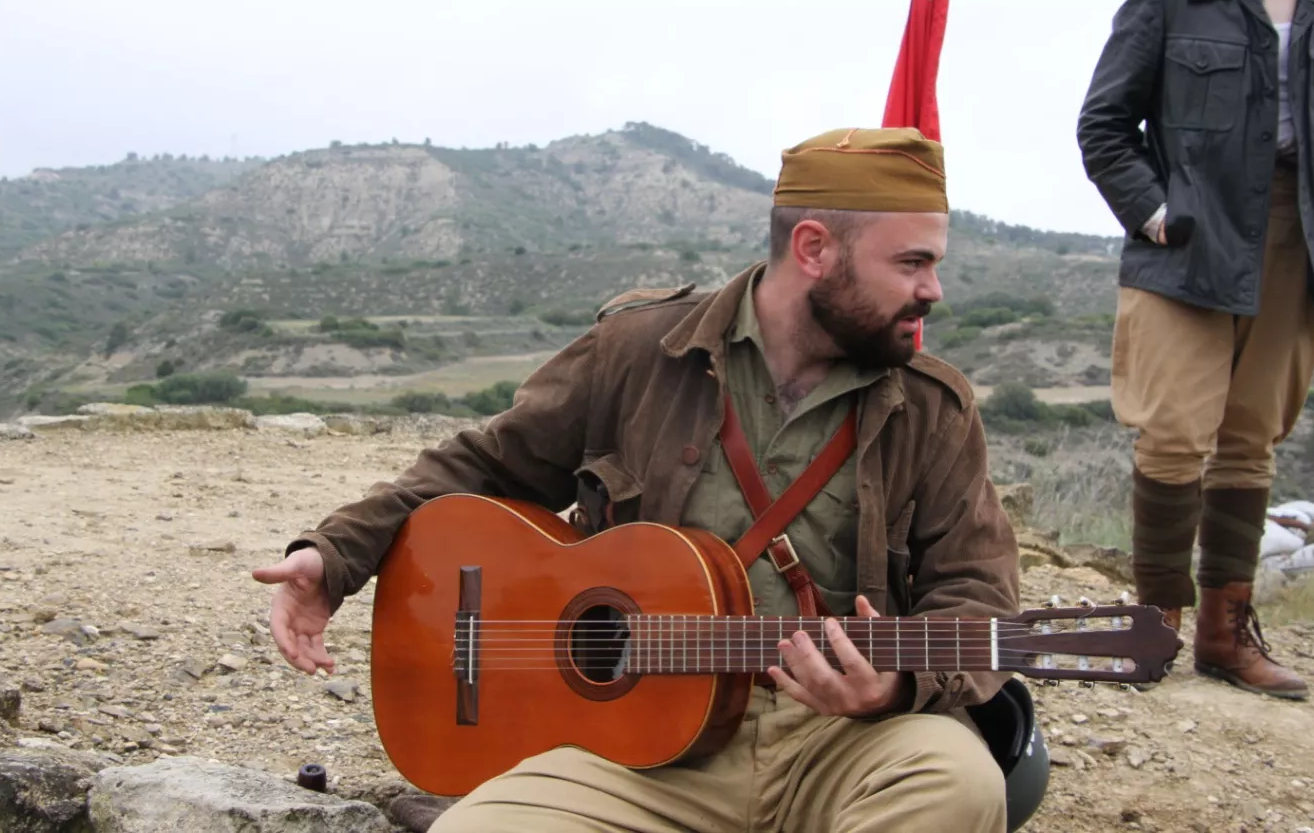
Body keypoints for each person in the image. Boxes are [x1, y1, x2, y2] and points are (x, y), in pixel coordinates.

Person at [253, 126, 1024, 833]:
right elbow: (486, 467)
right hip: (636, 750)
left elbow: (978, 595)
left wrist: (890, 688)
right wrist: (336, 556)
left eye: (933, 264)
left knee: (959, 787)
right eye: (911, 263)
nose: (933, 291)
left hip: (844, 743)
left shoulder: (932, 406)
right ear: (815, 249)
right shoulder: (639, 350)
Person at [1076, 0, 1314, 702]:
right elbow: (1103, 125)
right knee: (1175, 433)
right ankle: (1154, 627)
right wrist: (1154, 213)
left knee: (1250, 442)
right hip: (1191, 237)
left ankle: (1225, 633)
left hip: (1303, 238)